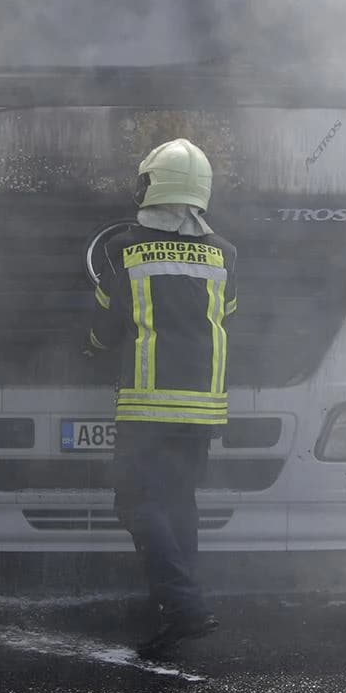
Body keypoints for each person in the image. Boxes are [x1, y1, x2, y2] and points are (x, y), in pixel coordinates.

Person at [86, 138, 238, 658]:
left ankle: (186, 606)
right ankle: (176, 607)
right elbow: (228, 314)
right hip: (204, 406)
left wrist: (93, 344)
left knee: (136, 501)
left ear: (150, 186)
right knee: (180, 504)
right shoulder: (224, 252)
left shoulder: (122, 249)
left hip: (148, 407)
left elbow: (104, 331)